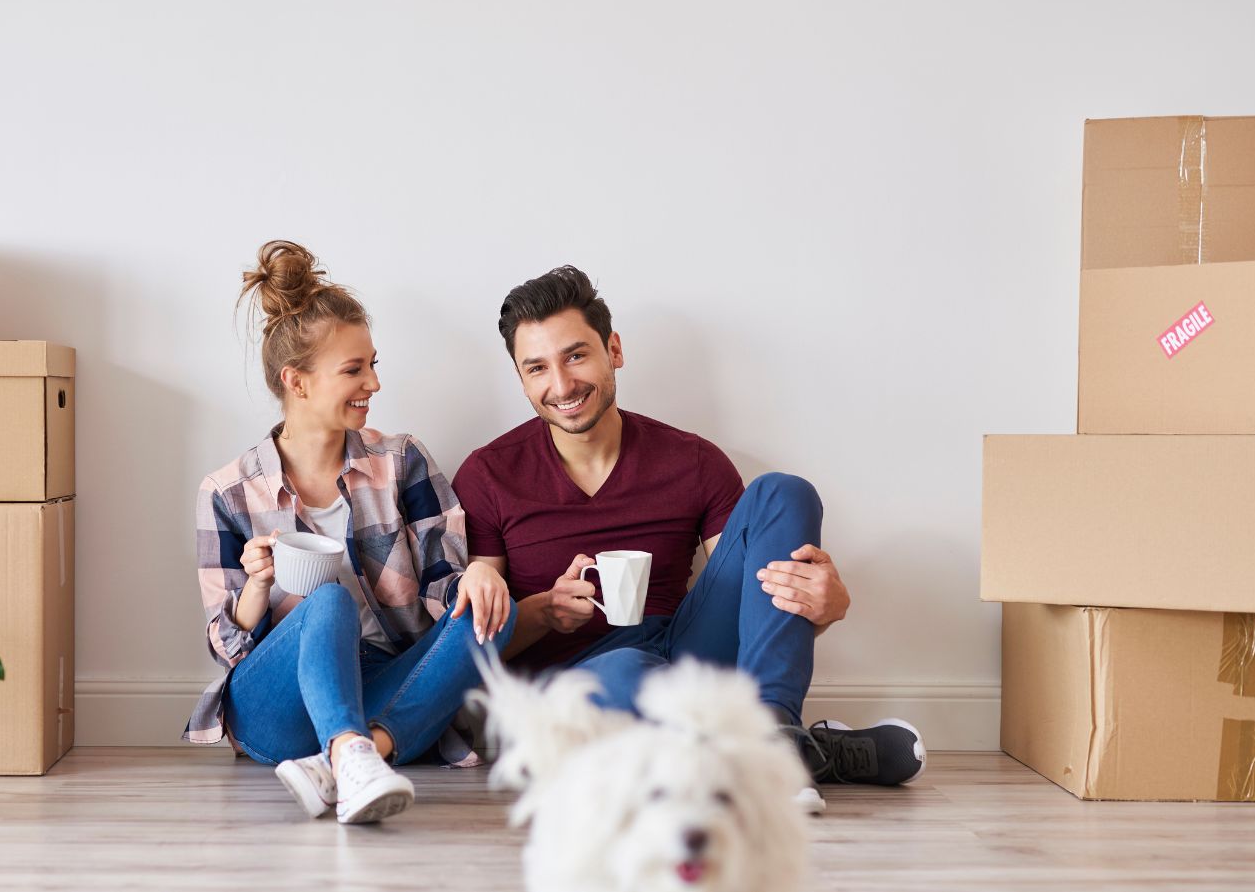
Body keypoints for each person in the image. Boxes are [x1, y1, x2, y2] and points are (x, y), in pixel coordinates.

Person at [450, 266, 924, 812]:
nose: (561, 385)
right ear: (520, 377)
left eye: (576, 355)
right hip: (573, 689)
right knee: (627, 675)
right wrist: (544, 612)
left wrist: (826, 610)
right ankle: (807, 752)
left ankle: (774, 731)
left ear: (613, 350)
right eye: (537, 368)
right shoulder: (490, 475)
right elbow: (475, 649)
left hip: (682, 652)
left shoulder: (693, 462)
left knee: (783, 493)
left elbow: (755, 607)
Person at [183, 241, 516, 824]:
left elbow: (445, 584)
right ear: (299, 381)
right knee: (328, 600)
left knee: (495, 611)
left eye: (373, 364)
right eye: (354, 370)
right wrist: (258, 590)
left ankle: (349, 760)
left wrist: (478, 582)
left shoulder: (402, 460)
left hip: (381, 684)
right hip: (276, 706)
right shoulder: (228, 492)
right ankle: (353, 750)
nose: (374, 383)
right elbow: (224, 647)